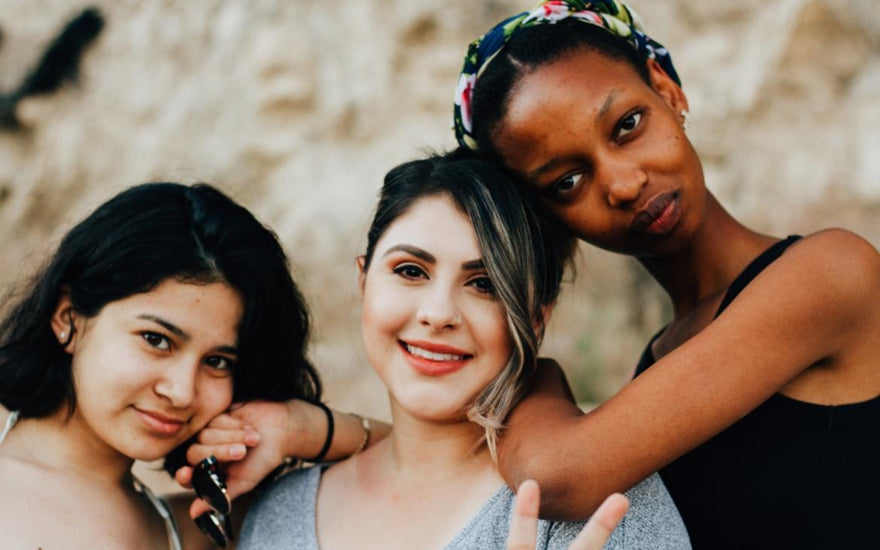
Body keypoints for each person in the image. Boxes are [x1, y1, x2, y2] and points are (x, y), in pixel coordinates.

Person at [453, 1, 880, 549]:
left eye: (627, 126)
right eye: (567, 181)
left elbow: (558, 477)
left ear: (667, 90)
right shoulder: (659, 358)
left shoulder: (829, 274)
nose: (624, 183)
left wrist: (537, 374)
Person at [236, 150, 691, 550]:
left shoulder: (602, 510)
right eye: (411, 271)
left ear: (537, 318)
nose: (438, 313)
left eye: (483, 284)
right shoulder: (281, 511)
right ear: (363, 281)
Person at [0, 182, 324, 550]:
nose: (183, 392)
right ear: (68, 318)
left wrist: (299, 429)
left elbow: (396, 475)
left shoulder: (194, 532)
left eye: (217, 362)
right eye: (156, 340)